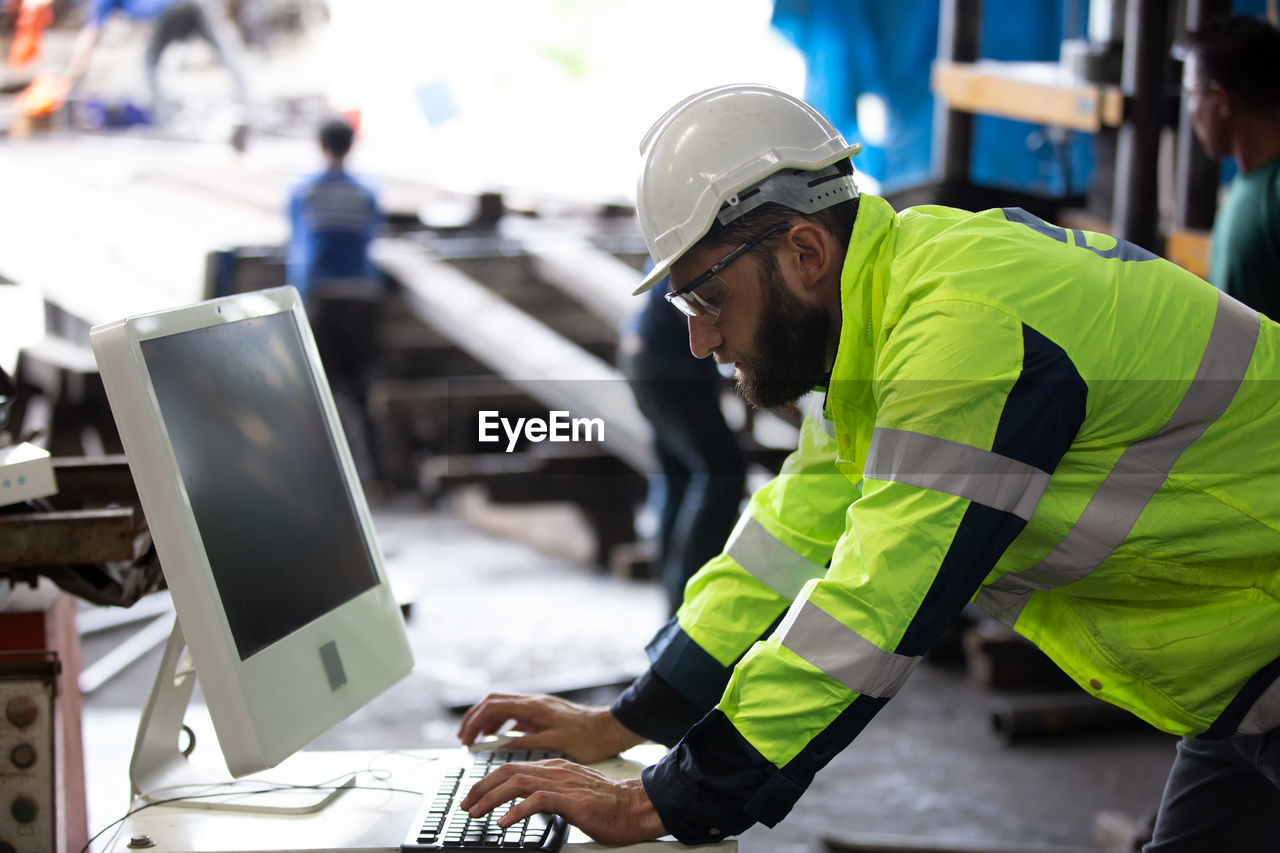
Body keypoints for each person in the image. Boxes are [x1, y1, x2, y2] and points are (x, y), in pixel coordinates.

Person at [455, 85, 1280, 850]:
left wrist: (657, 800)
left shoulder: (961, 329)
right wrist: (628, 720)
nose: (701, 340)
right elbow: (782, 540)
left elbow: (873, 606)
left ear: (806, 251)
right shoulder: (884, 325)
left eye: (707, 299)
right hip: (1241, 694)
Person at [617, 274, 747, 616]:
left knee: (679, 476)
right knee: (721, 472)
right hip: (668, 364)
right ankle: (692, 601)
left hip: (642, 354)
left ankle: (677, 606)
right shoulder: (693, 245)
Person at [286, 116, 385, 489]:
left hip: (324, 297)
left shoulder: (306, 192)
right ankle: (377, 477)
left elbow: (300, 247)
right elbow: (370, 237)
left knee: (321, 389)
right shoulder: (365, 193)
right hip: (363, 296)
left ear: (320, 144)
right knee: (363, 390)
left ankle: (326, 482)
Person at [1183, 15, 1280, 320]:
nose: (1191, 109)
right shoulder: (1250, 183)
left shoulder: (1275, 190)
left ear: (1220, 99)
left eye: (1192, 94)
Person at [65, 0, 250, 141]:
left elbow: (90, 35)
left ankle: (167, 124)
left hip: (164, 9)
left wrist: (72, 75)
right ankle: (248, 107)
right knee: (227, 54)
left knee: (150, 65)